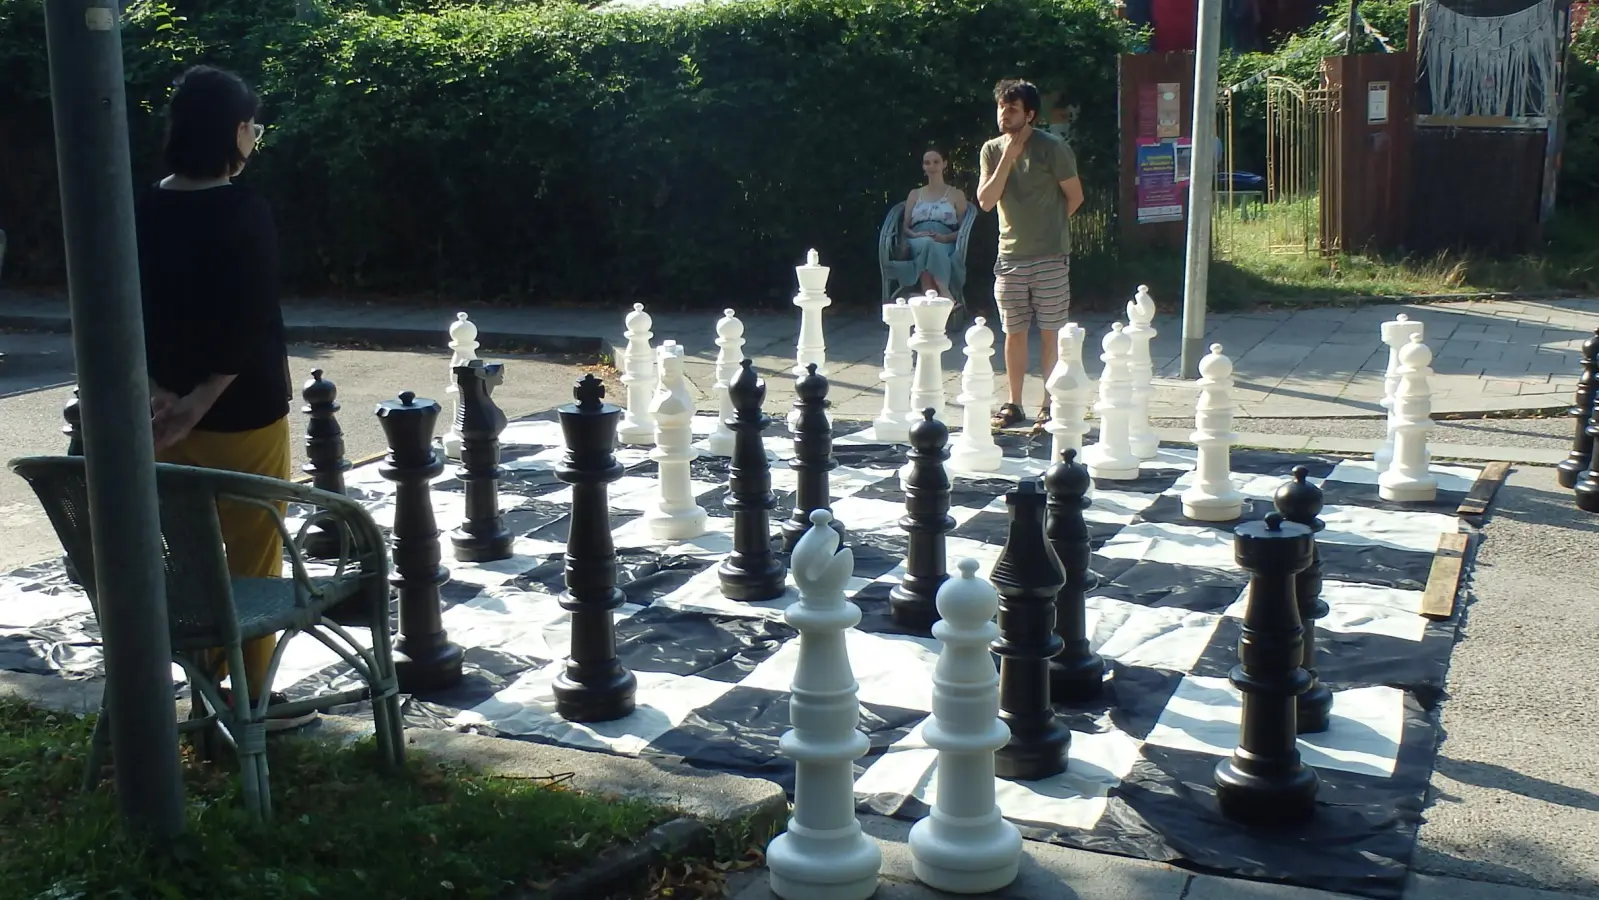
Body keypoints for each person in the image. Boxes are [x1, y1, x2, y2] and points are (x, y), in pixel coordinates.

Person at [137, 65, 312, 730]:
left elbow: (134, 309)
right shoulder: (245, 210)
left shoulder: (146, 207)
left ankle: (208, 690)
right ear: (235, 132)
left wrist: (164, 399)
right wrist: (197, 404)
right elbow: (247, 322)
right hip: (243, 416)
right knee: (252, 559)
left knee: (190, 554)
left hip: (161, 418)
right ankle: (247, 698)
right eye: (254, 127)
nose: (256, 140)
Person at [976, 78, 1084, 432]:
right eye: (1001, 108)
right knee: (1014, 331)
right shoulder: (992, 150)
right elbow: (987, 201)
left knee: (1050, 331)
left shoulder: (1053, 148)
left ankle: (1049, 402)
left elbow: (1075, 196)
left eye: (1012, 109)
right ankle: (1014, 402)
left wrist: (1050, 226)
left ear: (1030, 114)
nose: (1004, 115)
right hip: (1010, 256)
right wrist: (1009, 154)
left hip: (1050, 255)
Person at [899, 146, 969, 298]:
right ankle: (945, 293)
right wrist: (915, 235)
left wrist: (945, 238)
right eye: (927, 162)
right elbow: (905, 226)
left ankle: (929, 295)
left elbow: (964, 230)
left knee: (930, 247)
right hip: (917, 240)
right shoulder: (915, 194)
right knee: (927, 244)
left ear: (944, 164)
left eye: (936, 162)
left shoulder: (956, 194)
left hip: (945, 241)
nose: (931, 166)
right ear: (923, 166)